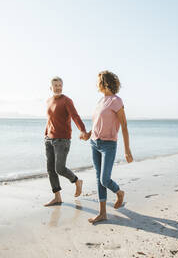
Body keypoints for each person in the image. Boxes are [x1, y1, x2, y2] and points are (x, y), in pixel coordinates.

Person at [86, 70, 133, 223]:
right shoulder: (100, 101)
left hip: (108, 145)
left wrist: (127, 150)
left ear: (104, 83)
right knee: (98, 179)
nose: (96, 84)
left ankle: (119, 192)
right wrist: (88, 134)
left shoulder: (116, 101)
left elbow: (124, 126)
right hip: (94, 143)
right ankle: (102, 213)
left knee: (105, 179)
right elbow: (96, 123)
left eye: (98, 81)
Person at [44, 76, 90, 206]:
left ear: (62, 86)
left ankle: (77, 181)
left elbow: (75, 116)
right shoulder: (48, 101)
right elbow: (50, 120)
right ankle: (57, 197)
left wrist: (82, 130)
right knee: (50, 169)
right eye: (55, 85)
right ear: (51, 87)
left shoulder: (67, 101)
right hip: (49, 139)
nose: (58, 87)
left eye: (60, 85)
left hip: (62, 140)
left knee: (59, 168)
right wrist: (46, 134)